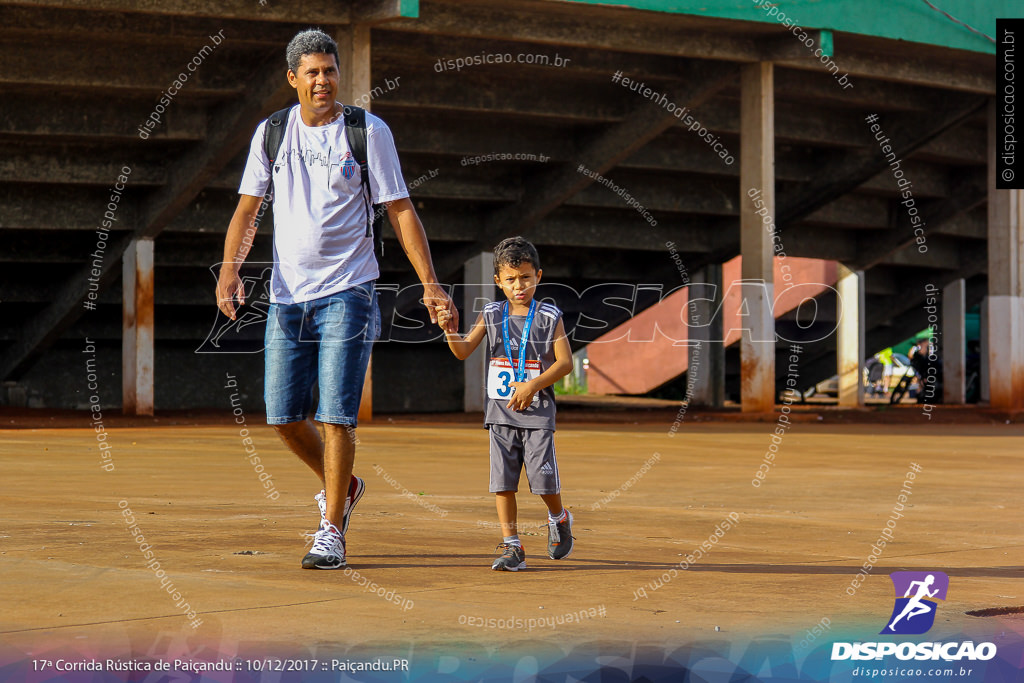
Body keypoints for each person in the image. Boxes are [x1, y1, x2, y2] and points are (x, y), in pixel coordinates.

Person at [216, 29, 457, 570]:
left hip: (349, 291)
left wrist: (431, 283)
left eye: (330, 70)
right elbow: (248, 210)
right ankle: (344, 486)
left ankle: (331, 530)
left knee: (335, 415)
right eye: (312, 72)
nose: (323, 80)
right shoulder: (272, 133)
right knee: (281, 417)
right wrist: (230, 270)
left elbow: (400, 210)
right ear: (293, 78)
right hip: (286, 298)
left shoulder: (367, 132)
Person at [436, 237, 574, 571]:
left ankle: (559, 516)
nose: (519, 286)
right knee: (502, 484)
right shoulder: (491, 313)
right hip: (500, 415)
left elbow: (565, 363)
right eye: (510, 279)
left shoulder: (549, 316)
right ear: (498, 281)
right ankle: (513, 546)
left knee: (543, 482)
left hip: (538, 415)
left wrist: (533, 385)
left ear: (538, 276)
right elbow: (463, 350)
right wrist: (449, 330)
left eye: (525, 277)